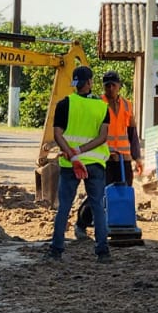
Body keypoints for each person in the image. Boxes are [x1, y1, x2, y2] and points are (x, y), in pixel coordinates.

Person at [47, 65, 111, 262]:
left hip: (70, 165)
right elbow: (103, 137)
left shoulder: (64, 104)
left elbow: (57, 135)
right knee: (97, 206)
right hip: (95, 163)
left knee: (64, 206)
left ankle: (56, 250)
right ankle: (103, 251)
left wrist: (72, 155)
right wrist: (81, 151)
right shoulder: (102, 106)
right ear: (90, 82)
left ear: (75, 83)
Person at [75, 70, 142, 239]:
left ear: (119, 86)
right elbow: (92, 132)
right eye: (107, 85)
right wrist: (106, 150)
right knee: (98, 192)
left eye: (113, 85)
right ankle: (81, 224)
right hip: (103, 158)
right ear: (103, 86)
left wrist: (137, 157)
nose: (111, 88)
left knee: (123, 192)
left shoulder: (127, 105)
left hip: (124, 159)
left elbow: (132, 132)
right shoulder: (98, 104)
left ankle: (121, 224)